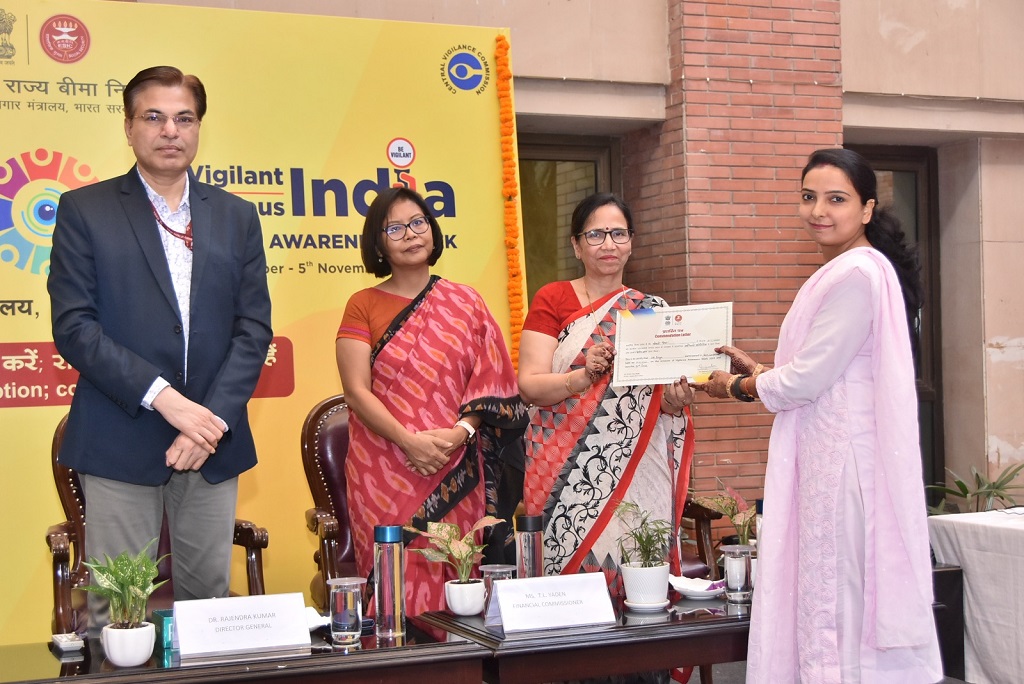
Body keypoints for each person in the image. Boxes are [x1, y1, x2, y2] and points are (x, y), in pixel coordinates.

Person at [696, 149, 942, 682]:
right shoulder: (851, 268)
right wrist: (762, 371)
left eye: (836, 199)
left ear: (867, 208)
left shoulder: (855, 272)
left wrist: (738, 386)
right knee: (832, 592)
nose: (819, 211)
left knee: (838, 598)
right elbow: (825, 371)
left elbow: (807, 380)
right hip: (829, 452)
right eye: (809, 197)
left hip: (841, 464)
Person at [48, 66, 273, 634]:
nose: (170, 130)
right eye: (154, 117)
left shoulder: (237, 216)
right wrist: (168, 401)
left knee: (209, 613)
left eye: (184, 118)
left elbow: (253, 329)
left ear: (198, 128)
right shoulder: (85, 210)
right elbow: (75, 327)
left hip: (210, 444)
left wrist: (208, 422)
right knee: (117, 614)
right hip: (120, 436)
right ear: (129, 127)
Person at [336, 186, 527, 614]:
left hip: (456, 463)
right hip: (383, 467)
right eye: (396, 228)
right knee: (395, 584)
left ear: (433, 230)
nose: (411, 234)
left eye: (418, 223)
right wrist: (409, 442)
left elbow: (492, 382)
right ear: (378, 244)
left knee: (458, 574)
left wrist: (460, 434)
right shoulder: (362, 305)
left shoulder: (467, 302)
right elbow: (356, 391)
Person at [518, 192, 695, 595]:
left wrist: (675, 401)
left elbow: (658, 403)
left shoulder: (651, 310)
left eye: (618, 233)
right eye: (596, 235)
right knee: (568, 585)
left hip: (635, 467)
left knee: (637, 570)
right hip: (559, 467)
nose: (608, 244)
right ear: (576, 245)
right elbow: (529, 385)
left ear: (631, 242)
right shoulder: (553, 299)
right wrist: (582, 377)